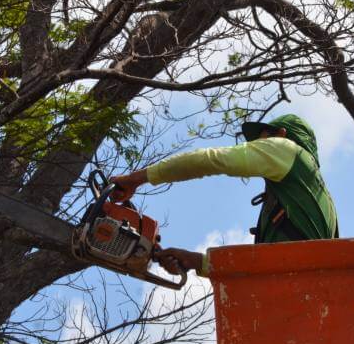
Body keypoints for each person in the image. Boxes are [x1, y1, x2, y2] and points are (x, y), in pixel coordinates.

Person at [110, 114, 338, 277]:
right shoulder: (312, 200)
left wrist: (136, 179)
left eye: (262, 138)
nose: (257, 145)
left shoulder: (286, 149)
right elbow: (267, 266)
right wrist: (199, 263)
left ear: (281, 135)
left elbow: (208, 159)